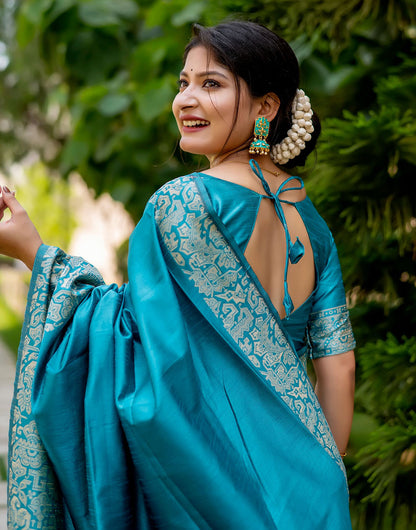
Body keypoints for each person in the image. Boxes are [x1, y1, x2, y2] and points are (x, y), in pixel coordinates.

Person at [2, 20, 355, 530]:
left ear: (266, 108)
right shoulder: (316, 229)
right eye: (183, 83)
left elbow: (129, 342)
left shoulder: (185, 202)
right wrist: (311, 477)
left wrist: (33, 252)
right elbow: (338, 369)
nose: (186, 99)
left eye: (211, 84)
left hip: (209, 491)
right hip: (309, 499)